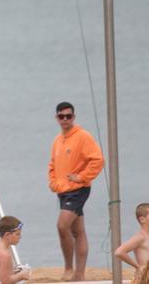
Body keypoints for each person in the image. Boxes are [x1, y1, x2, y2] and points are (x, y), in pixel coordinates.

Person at [48, 101, 104, 282]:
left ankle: (68, 268)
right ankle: (80, 274)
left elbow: (97, 160)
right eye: (61, 116)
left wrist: (82, 177)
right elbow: (52, 164)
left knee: (62, 225)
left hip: (78, 190)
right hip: (63, 191)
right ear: (57, 118)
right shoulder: (57, 140)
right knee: (78, 231)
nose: (65, 119)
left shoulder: (82, 136)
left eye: (68, 116)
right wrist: (53, 182)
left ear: (74, 117)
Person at [0, 216, 31, 284]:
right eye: (17, 234)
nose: (20, 237)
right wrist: (21, 275)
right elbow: (6, 281)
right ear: (7, 235)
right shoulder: (5, 255)